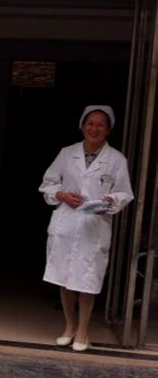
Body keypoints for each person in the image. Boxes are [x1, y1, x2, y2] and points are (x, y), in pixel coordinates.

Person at [39, 105, 133, 351]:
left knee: (86, 281)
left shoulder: (116, 159)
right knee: (64, 280)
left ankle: (82, 331)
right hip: (67, 224)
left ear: (108, 130)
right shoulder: (66, 153)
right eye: (90, 123)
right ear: (82, 126)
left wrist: (110, 201)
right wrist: (61, 194)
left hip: (94, 227)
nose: (94, 128)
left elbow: (124, 193)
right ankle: (69, 327)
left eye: (100, 125)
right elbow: (48, 183)